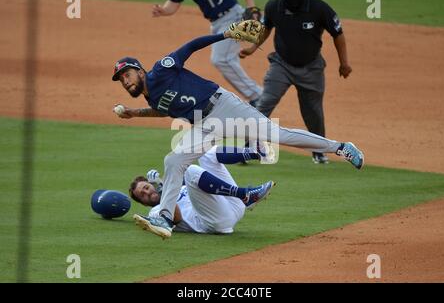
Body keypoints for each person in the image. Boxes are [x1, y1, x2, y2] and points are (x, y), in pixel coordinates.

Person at [111, 27, 364, 239]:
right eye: (121, 79)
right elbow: (162, 110)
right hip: (202, 124)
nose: (125, 80)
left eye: (127, 74)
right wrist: (134, 112)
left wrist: (226, 34)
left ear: (140, 71)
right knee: (173, 160)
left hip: (223, 105)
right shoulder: (152, 96)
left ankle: (340, 147)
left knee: (278, 135)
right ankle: (165, 217)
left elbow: (192, 45)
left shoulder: (161, 70)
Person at [240, 0, 353, 164]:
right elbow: (266, 28)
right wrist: (252, 48)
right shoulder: (274, 6)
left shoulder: (319, 8)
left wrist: (344, 63)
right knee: (265, 102)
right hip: (281, 65)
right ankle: (248, 148)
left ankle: (319, 151)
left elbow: (338, 34)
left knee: (313, 113)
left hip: (311, 69)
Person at [130, 146, 274, 237]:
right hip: (214, 223)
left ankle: (257, 152)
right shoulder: (155, 212)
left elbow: (202, 184)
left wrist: (164, 185)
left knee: (206, 153)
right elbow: (177, 218)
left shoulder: (179, 188)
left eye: (146, 188)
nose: (147, 193)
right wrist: (165, 187)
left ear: (152, 185)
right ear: (143, 203)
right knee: (190, 170)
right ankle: (245, 194)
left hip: (233, 207)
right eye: (142, 195)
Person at [151, 0, 263, 105]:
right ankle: (257, 96)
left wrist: (251, 7)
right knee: (224, 59)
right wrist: (164, 10)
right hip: (216, 24)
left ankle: (258, 96)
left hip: (233, 17)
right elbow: (173, 3)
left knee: (221, 60)